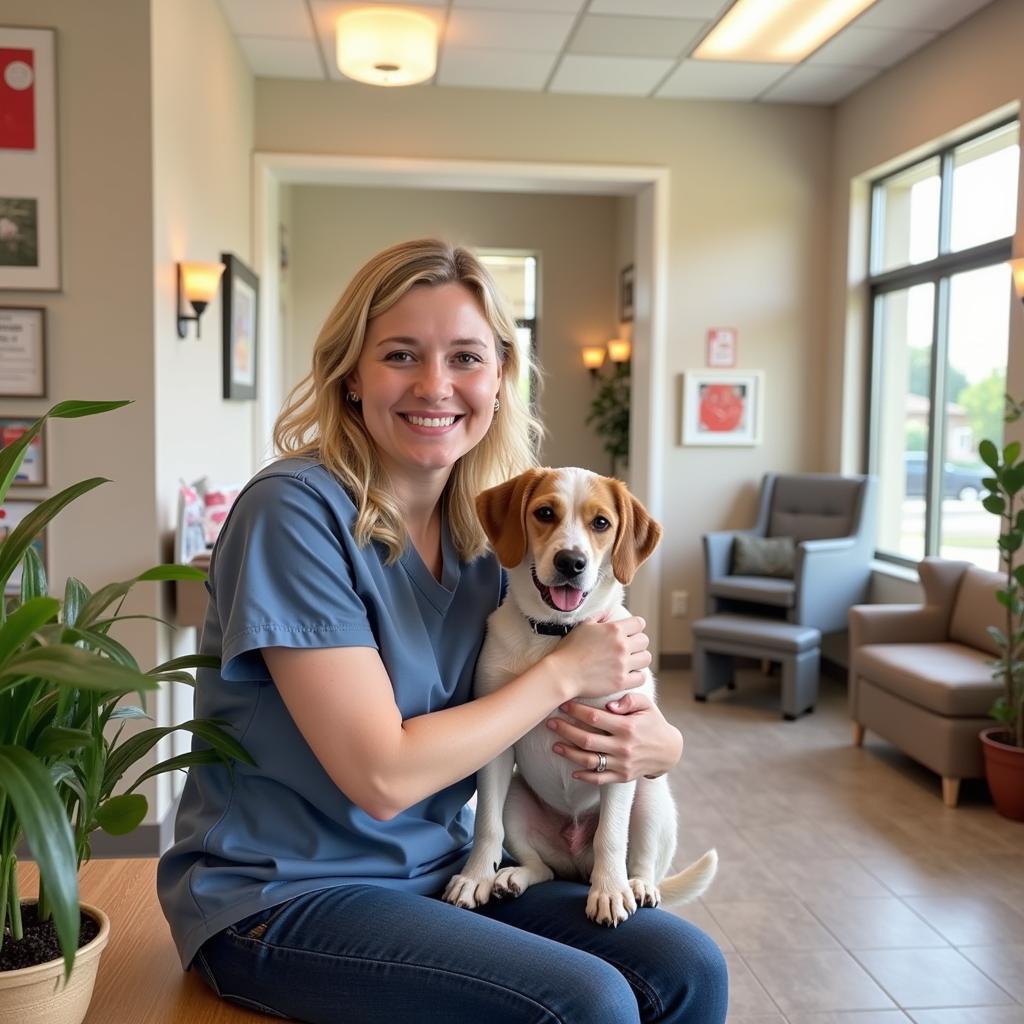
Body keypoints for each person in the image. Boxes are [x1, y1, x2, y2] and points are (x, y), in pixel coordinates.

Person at [157, 238, 728, 1024]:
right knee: (588, 1003)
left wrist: (660, 745)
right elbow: (382, 776)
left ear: (498, 378)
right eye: (400, 355)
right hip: (281, 894)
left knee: (687, 966)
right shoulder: (293, 514)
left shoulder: (487, 536)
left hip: (438, 867)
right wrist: (563, 676)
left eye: (465, 357)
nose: (435, 386)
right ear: (351, 374)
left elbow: (602, 685)